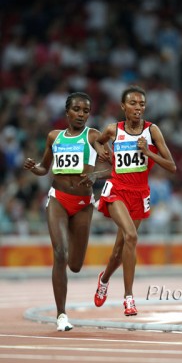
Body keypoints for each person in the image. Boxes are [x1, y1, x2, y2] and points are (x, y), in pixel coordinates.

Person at [23, 92, 110, 331]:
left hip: (83, 205)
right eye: (77, 109)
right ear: (67, 112)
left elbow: (114, 168)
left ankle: (67, 296)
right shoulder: (54, 136)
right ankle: (61, 315)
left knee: (75, 265)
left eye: (86, 111)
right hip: (58, 199)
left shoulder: (93, 136)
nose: (81, 114)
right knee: (59, 252)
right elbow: (44, 168)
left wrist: (94, 174)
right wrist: (35, 168)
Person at [93, 85, 176, 316]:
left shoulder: (152, 131)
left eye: (141, 104)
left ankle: (105, 278)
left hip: (139, 193)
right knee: (131, 236)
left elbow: (172, 166)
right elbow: (98, 141)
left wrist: (148, 153)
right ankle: (129, 298)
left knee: (119, 250)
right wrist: (103, 151)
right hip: (117, 189)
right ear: (123, 106)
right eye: (133, 103)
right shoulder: (113, 129)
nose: (138, 108)